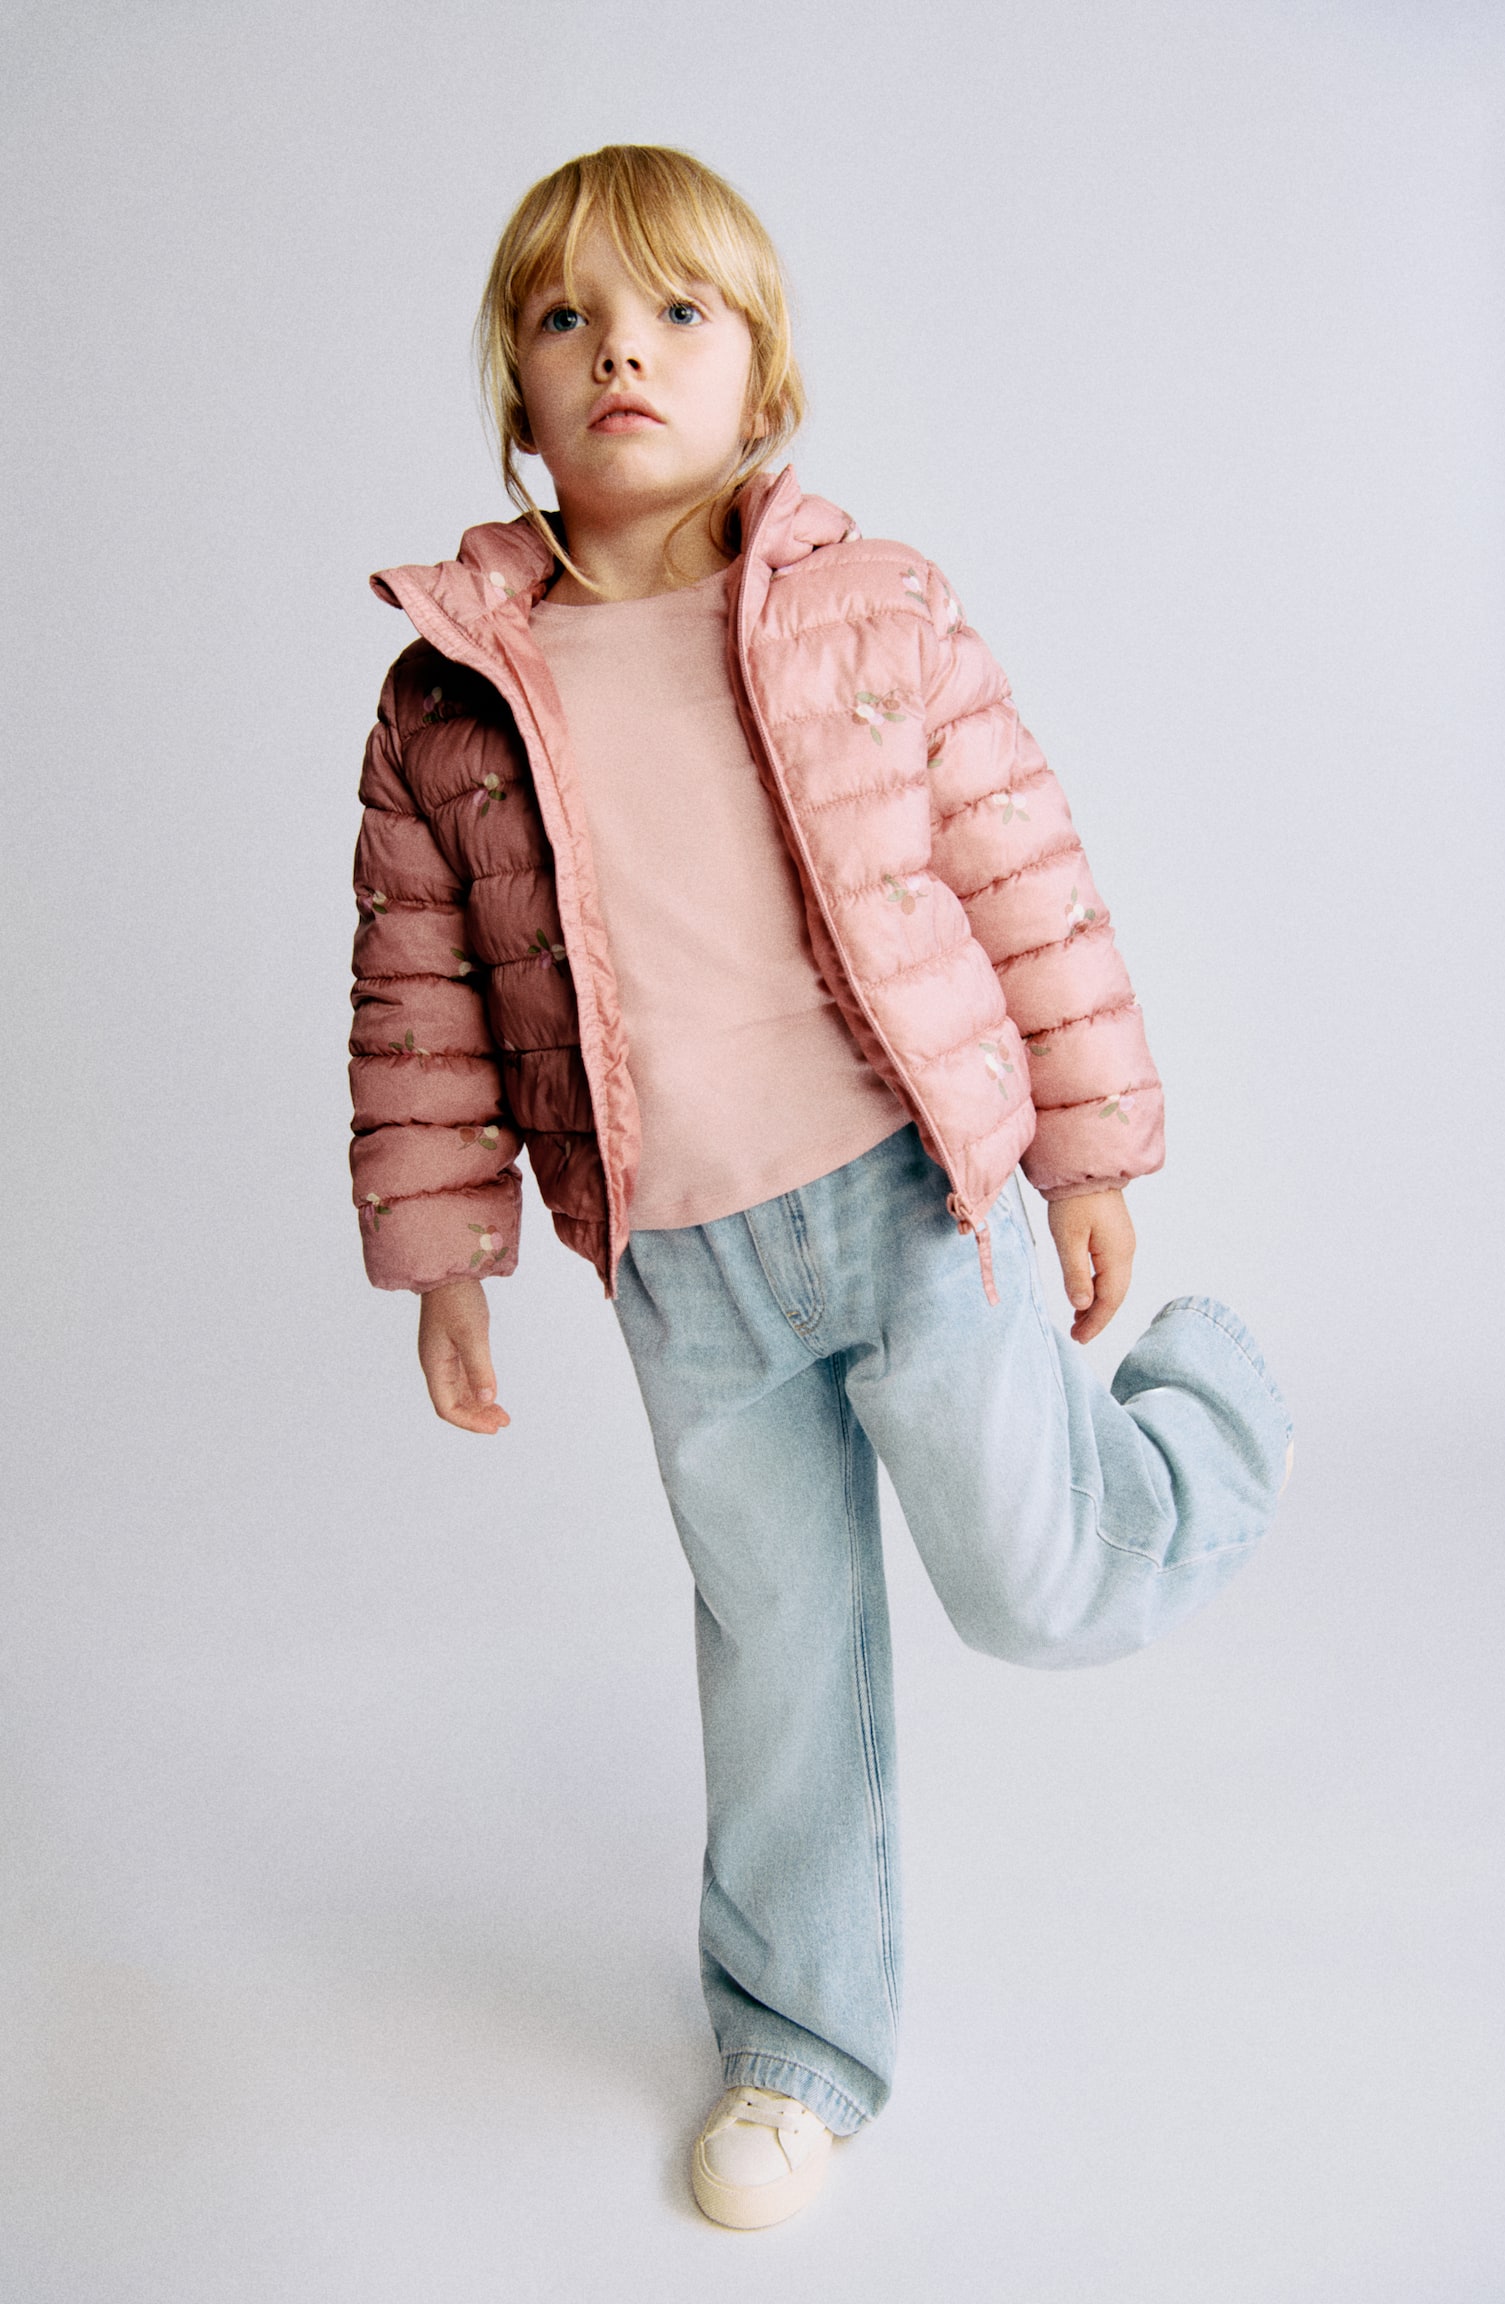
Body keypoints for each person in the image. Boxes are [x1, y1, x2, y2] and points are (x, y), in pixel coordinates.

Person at [347, 143, 1293, 2231]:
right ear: (518, 393)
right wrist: (447, 1262)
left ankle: (1214, 1421)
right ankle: (798, 2046)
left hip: (913, 1200)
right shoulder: (449, 694)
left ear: (760, 377)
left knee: (1037, 1591)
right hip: (684, 1268)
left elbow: (1025, 876)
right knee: (780, 1656)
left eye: (678, 312)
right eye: (570, 318)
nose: (623, 351)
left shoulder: (877, 608)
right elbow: (417, 994)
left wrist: (1085, 1148)